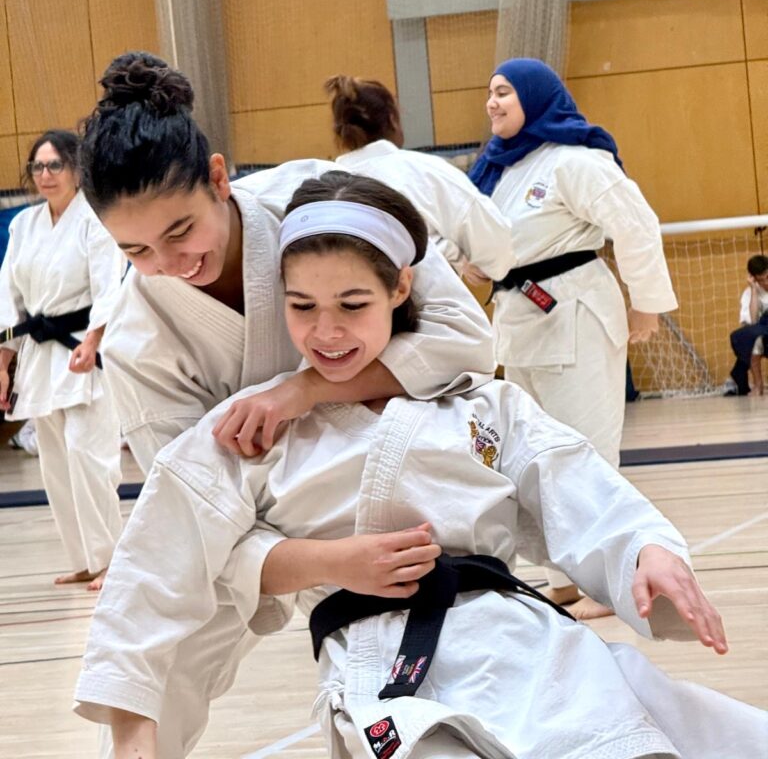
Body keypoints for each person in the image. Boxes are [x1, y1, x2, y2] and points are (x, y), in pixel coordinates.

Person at [74, 171, 767, 759]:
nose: (325, 332)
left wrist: (646, 550)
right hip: (384, 667)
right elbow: (158, 562)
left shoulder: (480, 404)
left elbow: (571, 481)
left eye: (352, 305)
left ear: (401, 288)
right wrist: (135, 734)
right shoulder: (253, 429)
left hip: (526, 644)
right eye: (301, 306)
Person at [76, 53, 497, 753]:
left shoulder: (320, 206)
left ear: (218, 178)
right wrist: (328, 562)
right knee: (161, 656)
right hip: (256, 519)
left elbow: (465, 339)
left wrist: (305, 388)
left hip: (393, 470)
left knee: (464, 666)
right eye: (136, 250)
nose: (170, 263)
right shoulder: (136, 337)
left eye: (180, 231)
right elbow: (194, 516)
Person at [465, 58, 678, 619]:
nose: (492, 102)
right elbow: (478, 240)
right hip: (519, 322)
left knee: (587, 454)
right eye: (490, 93)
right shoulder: (497, 169)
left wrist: (646, 304)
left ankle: (610, 582)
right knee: (533, 458)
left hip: (577, 314)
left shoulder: (575, 160)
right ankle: (564, 579)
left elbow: (636, 223)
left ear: (534, 96)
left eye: (504, 92)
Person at [0, 131, 124, 589]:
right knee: (55, 463)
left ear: (76, 169)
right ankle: (86, 559)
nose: (46, 175)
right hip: (38, 353)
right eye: (38, 166)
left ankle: (112, 559)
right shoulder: (23, 224)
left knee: (89, 456)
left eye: (55, 165)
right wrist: (3, 360)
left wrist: (94, 340)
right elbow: (8, 295)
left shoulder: (96, 219)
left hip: (82, 348)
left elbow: (110, 286)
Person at [326, 74, 516, 278]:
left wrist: (448, 251)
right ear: (393, 120)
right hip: (423, 296)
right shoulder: (425, 172)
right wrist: (457, 256)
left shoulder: (323, 187)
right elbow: (496, 248)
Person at [728, 254, 768, 396]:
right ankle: (758, 385)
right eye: (761, 280)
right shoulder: (749, 294)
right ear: (754, 279)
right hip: (763, 337)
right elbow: (753, 323)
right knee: (747, 337)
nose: (766, 283)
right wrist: (754, 290)